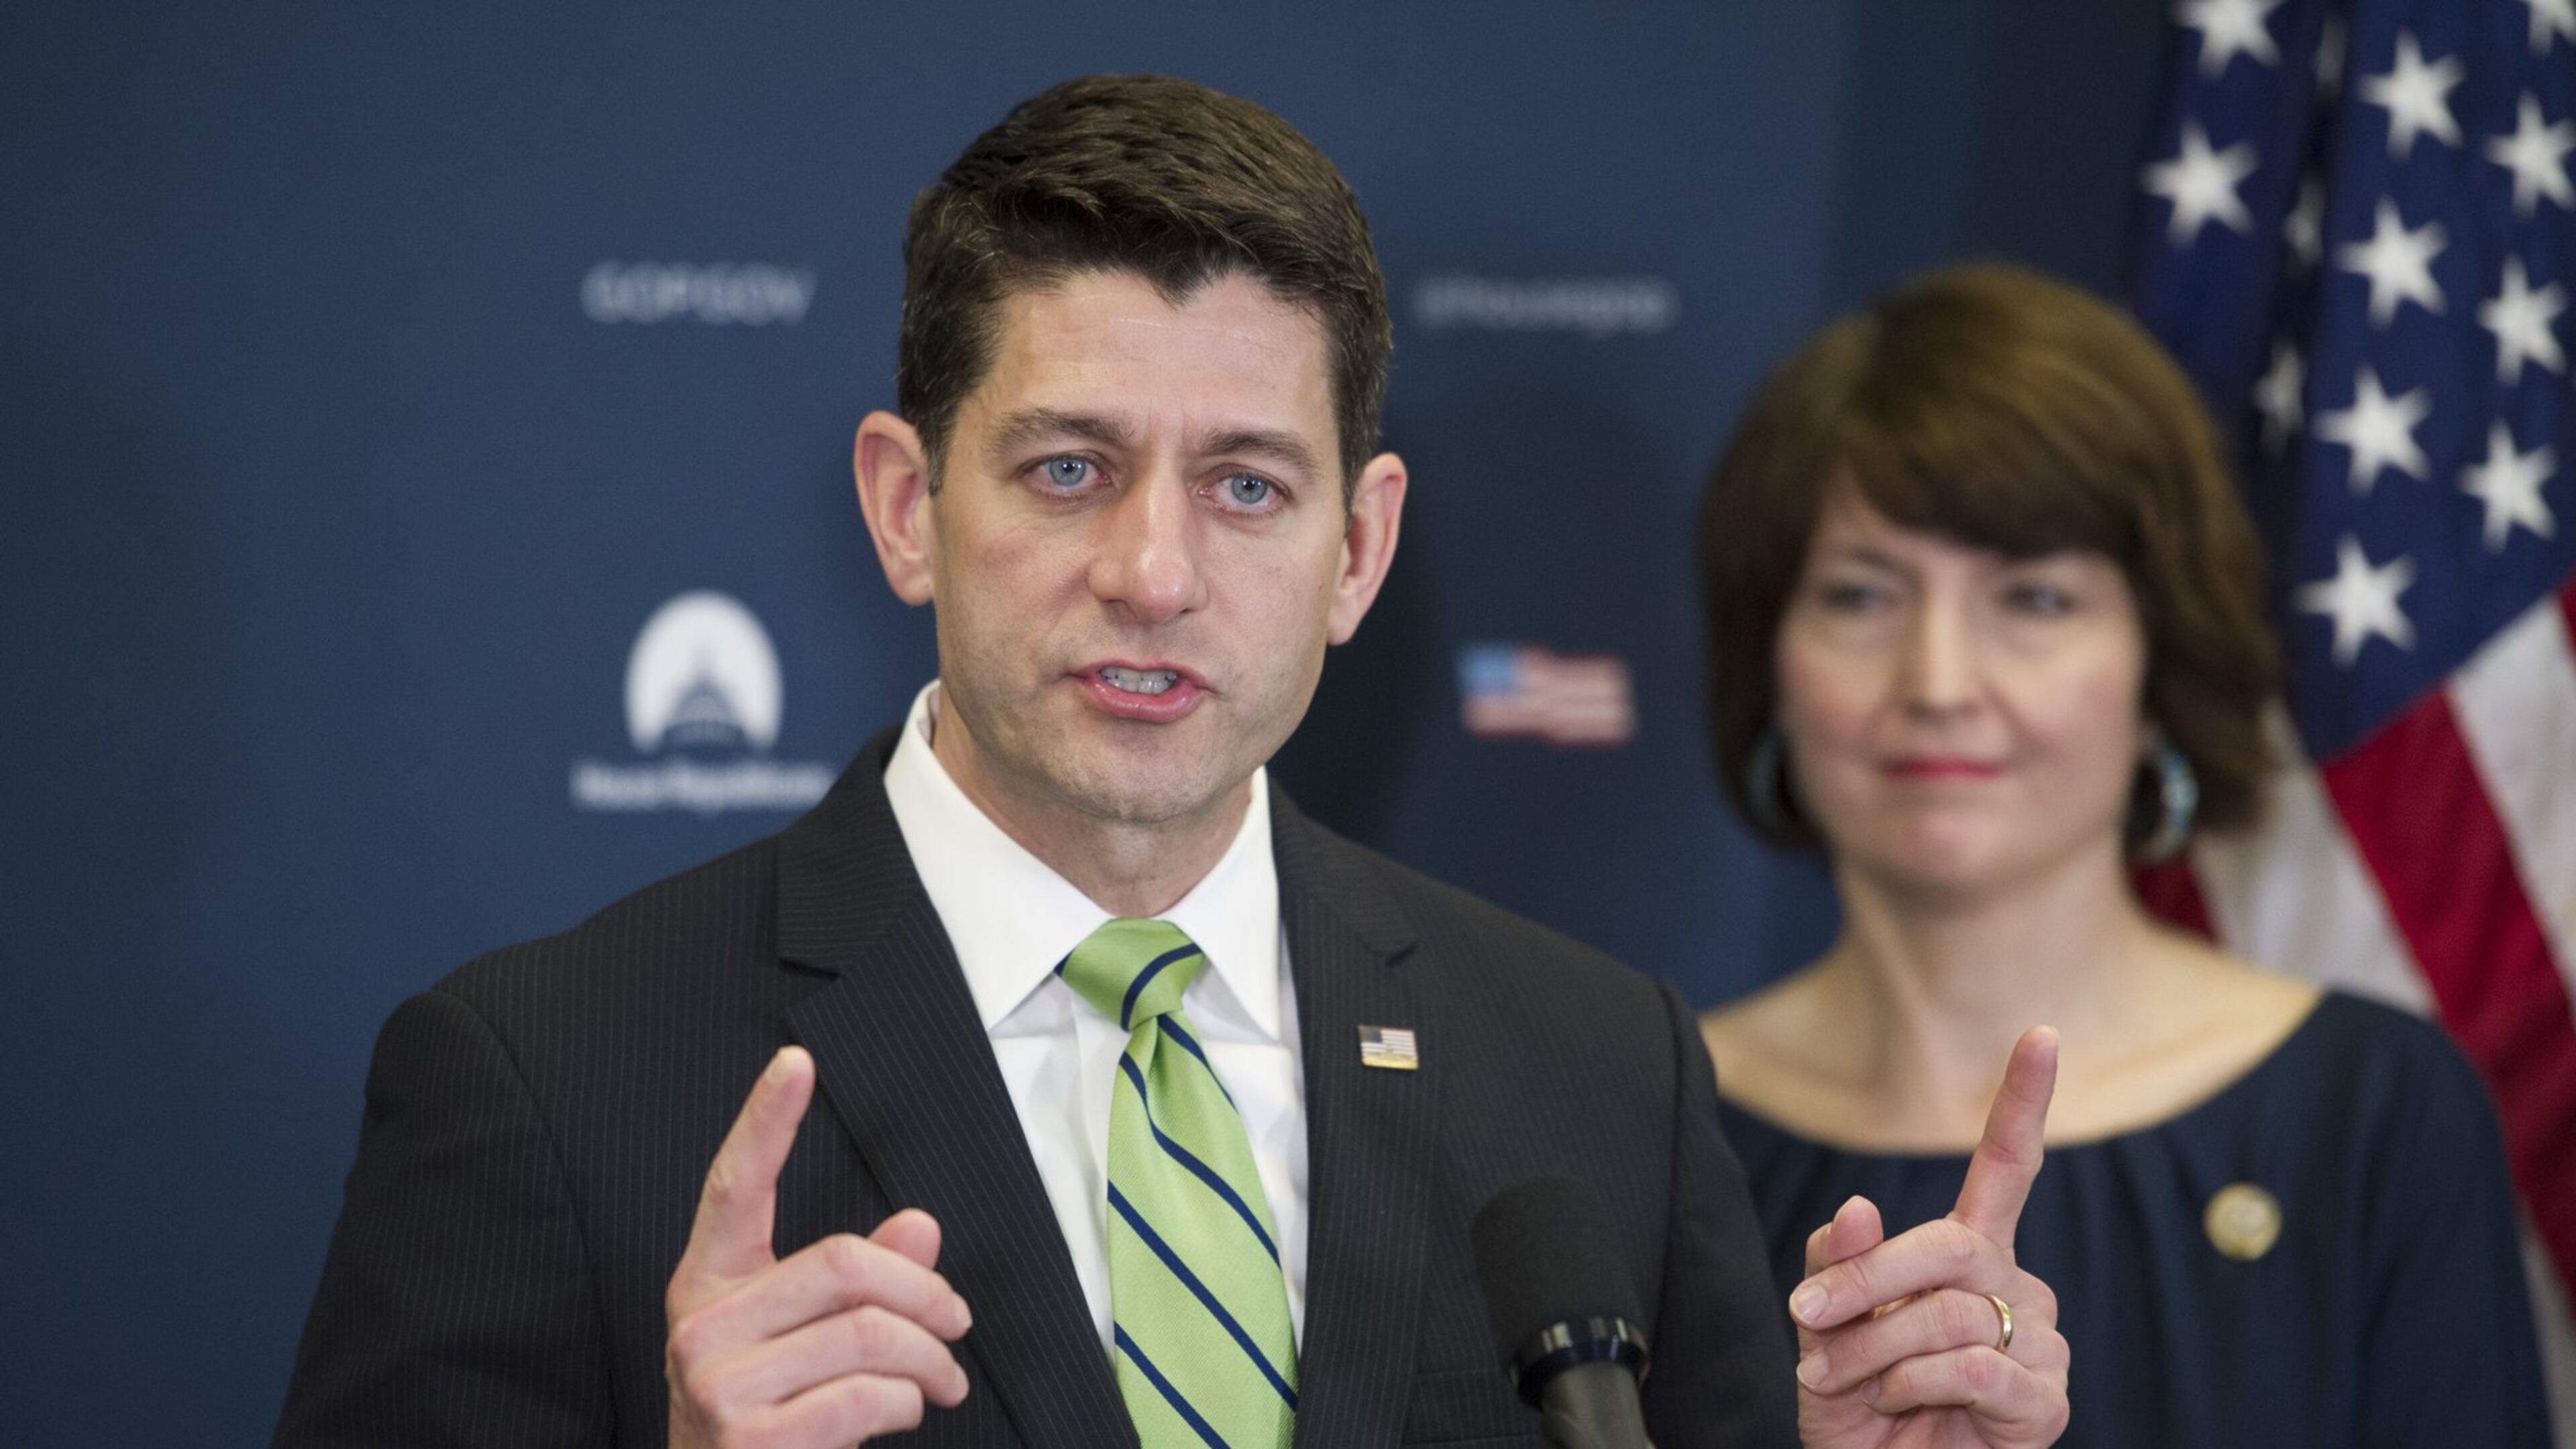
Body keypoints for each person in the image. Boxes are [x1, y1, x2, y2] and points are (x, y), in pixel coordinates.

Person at [274, 79, 2069, 1448]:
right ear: (910, 507)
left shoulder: (1602, 1070)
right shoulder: (544, 1083)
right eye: (1067, 467)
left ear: (1359, 551)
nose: (1153, 569)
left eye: (1247, 484)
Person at [1695, 263, 2551, 1448]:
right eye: (1860, 595)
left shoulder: (2375, 1118)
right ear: (1771, 661)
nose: (1939, 684)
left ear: (2159, 670)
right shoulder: (1645, 1123)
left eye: (2034, 601)